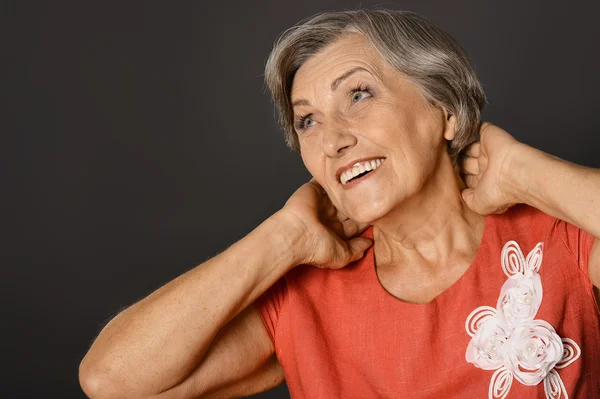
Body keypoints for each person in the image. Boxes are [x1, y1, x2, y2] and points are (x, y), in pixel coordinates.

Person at [79, 9, 600, 399]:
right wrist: (282, 238)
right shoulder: (305, 296)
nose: (333, 140)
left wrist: (527, 174)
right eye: (308, 121)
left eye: (358, 95)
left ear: (443, 109)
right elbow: (111, 380)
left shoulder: (559, 238)